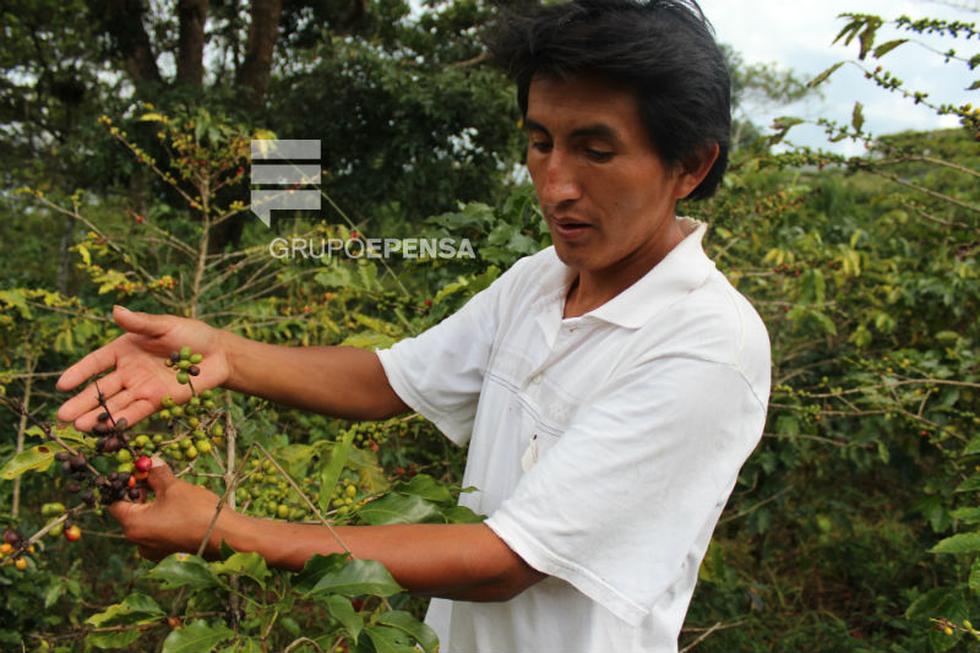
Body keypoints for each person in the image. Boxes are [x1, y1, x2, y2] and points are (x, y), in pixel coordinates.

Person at [55, 0, 771, 650]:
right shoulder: (538, 282)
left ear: (690, 164)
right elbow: (388, 379)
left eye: (597, 150)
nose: (555, 184)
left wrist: (226, 531)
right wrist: (220, 351)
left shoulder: (705, 345)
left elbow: (504, 561)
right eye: (541, 141)